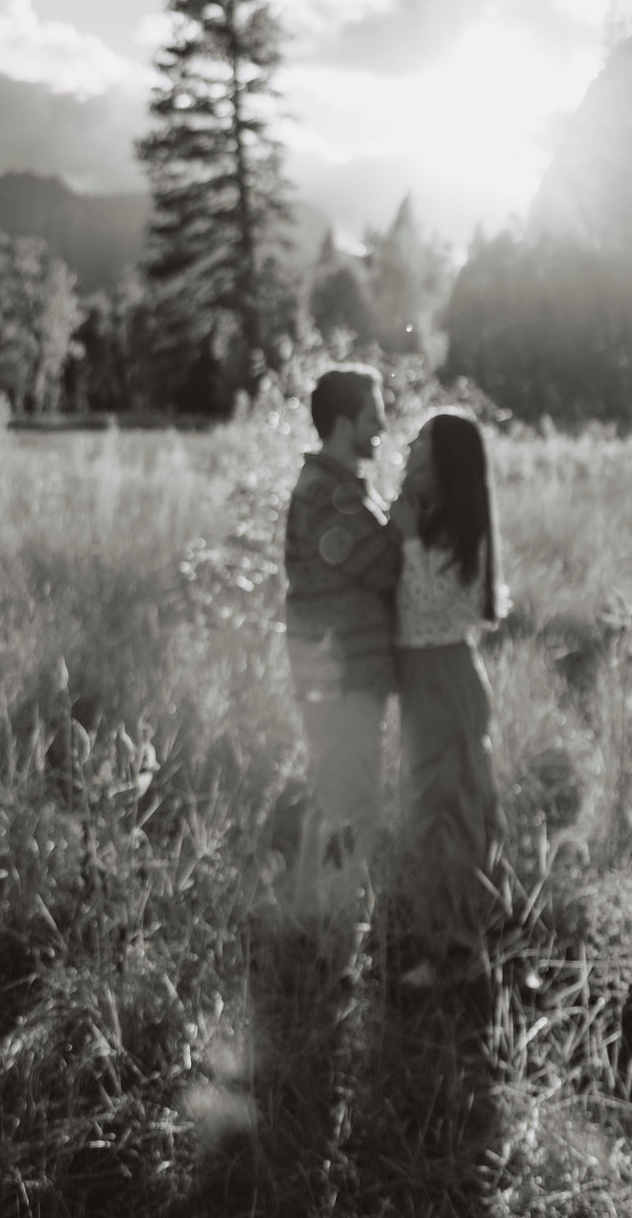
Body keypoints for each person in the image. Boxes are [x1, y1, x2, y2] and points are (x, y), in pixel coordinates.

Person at [390, 409, 507, 977]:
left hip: (445, 673)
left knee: (452, 809)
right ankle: (446, 939)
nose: (408, 451)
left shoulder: (463, 528)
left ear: (444, 463)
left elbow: (433, 607)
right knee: (429, 806)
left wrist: (410, 543)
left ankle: (459, 947)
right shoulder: (425, 516)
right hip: (422, 676)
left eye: (420, 445)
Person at [283, 365, 401, 919]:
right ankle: (331, 935)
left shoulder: (343, 487)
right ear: (342, 422)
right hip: (341, 674)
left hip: (343, 673)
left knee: (337, 795)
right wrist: (418, 517)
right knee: (350, 802)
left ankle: (319, 927)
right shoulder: (330, 495)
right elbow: (386, 563)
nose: (381, 423)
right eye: (371, 414)